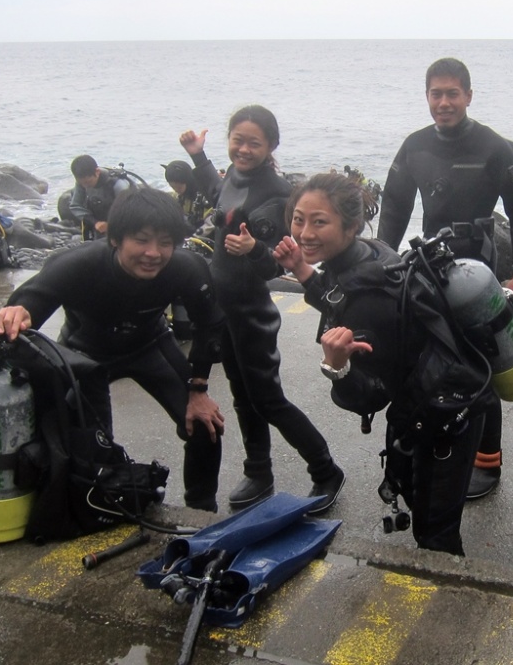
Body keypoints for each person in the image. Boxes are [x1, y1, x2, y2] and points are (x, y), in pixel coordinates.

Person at [275, 171, 488, 554]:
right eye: (298, 219)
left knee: (434, 529)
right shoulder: (372, 253)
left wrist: (337, 367)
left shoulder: (367, 299)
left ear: (352, 224)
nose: (304, 232)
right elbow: (339, 295)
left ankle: (452, 605)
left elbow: (371, 397)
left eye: (319, 221)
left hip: (445, 414)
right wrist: (304, 272)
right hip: (449, 387)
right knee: (428, 507)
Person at [0, 187, 227, 511]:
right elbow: (28, 305)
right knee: (90, 446)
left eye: (165, 242)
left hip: (149, 344)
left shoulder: (186, 267)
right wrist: (16, 313)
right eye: (141, 240)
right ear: (116, 238)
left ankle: (202, 509)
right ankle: (99, 505)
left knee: (204, 424)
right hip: (86, 353)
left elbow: (210, 326)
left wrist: (199, 389)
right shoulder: (77, 264)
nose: (153, 253)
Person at [376, 57, 513, 500]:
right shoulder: (415, 147)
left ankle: (488, 459)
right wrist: (381, 263)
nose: (444, 102)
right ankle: (447, 438)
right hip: (433, 266)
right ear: (427, 97)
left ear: (468, 95)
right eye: (436, 94)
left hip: (483, 270)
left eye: (452, 93)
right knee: (434, 358)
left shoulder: (493, 146)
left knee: (484, 363)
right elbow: (393, 208)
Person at [180, 105, 345, 512]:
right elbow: (221, 195)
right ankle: (258, 471)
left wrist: (254, 249)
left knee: (268, 400)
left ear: (271, 145)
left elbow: (276, 262)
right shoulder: (236, 175)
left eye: (254, 142)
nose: (244, 149)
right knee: (242, 396)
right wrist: (199, 158)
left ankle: (326, 471)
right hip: (224, 310)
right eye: (237, 140)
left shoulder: (273, 190)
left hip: (251, 312)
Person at [68, 155, 138, 239]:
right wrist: (95, 222)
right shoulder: (83, 183)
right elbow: (75, 205)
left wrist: (111, 226)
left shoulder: (118, 185)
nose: (86, 186)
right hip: (100, 222)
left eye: (88, 182)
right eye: (82, 183)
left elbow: (132, 212)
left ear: (97, 172)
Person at [163, 159, 213, 236]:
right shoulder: (178, 197)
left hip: (203, 238)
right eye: (172, 187)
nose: (176, 190)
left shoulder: (205, 198)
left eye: (179, 188)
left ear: (188, 181)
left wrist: (194, 239)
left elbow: (212, 223)